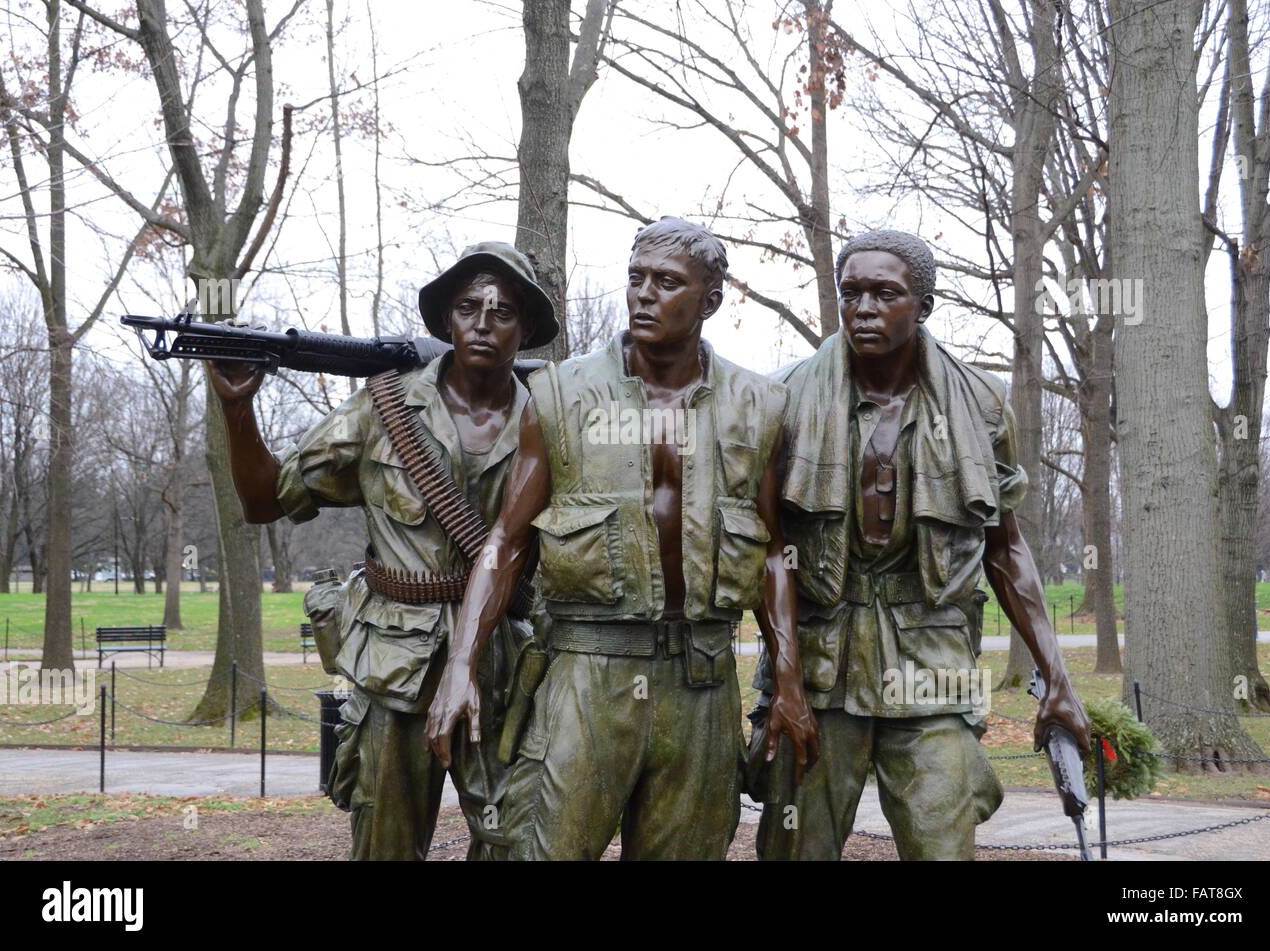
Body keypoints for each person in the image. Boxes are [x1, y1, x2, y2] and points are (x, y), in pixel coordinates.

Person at [425, 217, 819, 860]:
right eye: (636, 278)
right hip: (587, 672)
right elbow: (507, 541)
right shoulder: (560, 395)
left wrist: (789, 682)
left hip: (701, 677)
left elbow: (775, 550)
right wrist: (464, 662)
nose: (644, 294)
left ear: (710, 301)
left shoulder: (759, 404)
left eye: (667, 283)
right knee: (543, 850)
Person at [206, 241, 558, 860]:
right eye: (468, 305)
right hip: (395, 666)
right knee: (384, 847)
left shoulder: (554, 419)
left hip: (504, 666)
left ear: (525, 327)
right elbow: (264, 501)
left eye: (503, 310)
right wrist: (239, 410)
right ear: (445, 321)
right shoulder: (383, 409)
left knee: (516, 844)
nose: (483, 321)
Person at [750, 229, 1091, 860]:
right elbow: (768, 549)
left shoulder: (981, 405)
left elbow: (1005, 547)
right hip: (820, 661)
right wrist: (787, 683)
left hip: (929, 656)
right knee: (798, 845)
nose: (865, 308)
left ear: (923, 306)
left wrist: (1056, 673)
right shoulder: (782, 399)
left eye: (886, 293)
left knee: (943, 840)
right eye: (850, 293)